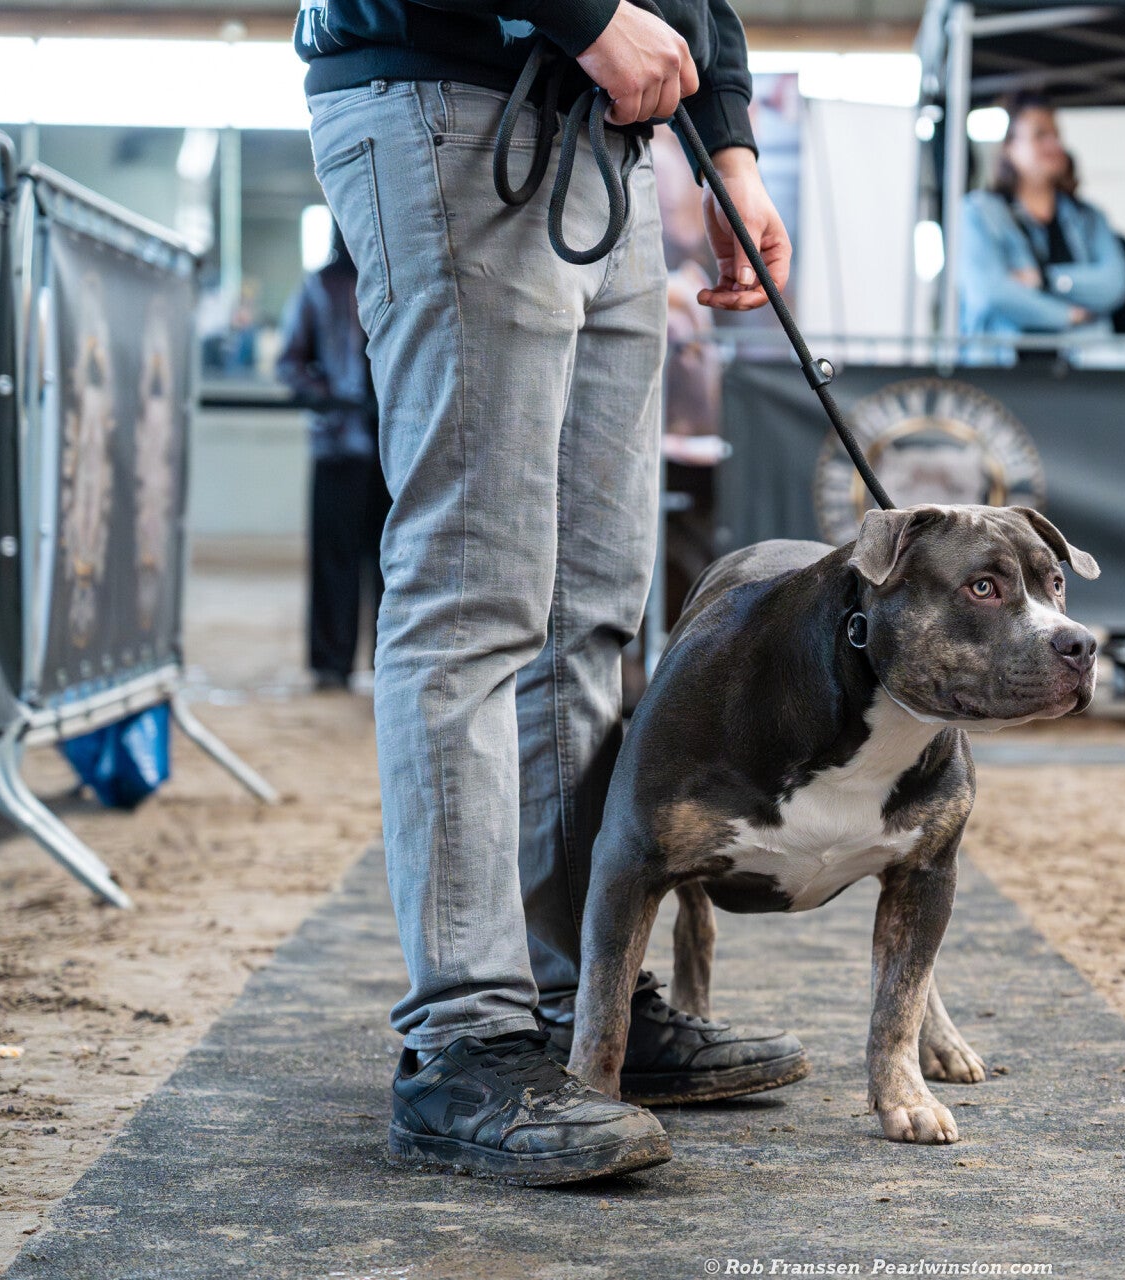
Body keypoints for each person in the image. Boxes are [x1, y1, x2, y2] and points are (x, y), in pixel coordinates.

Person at [297, 0, 802, 1183]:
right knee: (473, 597)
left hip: (610, 138)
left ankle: (589, 999)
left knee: (591, 609)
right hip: (459, 95)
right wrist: (584, 12)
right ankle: (465, 1038)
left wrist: (727, 144)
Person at [275, 224, 390, 692]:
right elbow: (290, 362)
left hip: (394, 450)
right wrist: (331, 400)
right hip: (340, 446)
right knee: (333, 559)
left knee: (393, 561)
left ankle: (391, 663)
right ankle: (330, 664)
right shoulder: (318, 288)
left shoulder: (394, 278)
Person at [957, 93, 1125, 349]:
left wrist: (1046, 280)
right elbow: (991, 291)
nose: (1053, 144)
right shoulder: (979, 212)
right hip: (1003, 362)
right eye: (1039, 135)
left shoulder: (1088, 218)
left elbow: (1114, 284)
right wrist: (1067, 315)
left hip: (1081, 360)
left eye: (1056, 135)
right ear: (1010, 146)